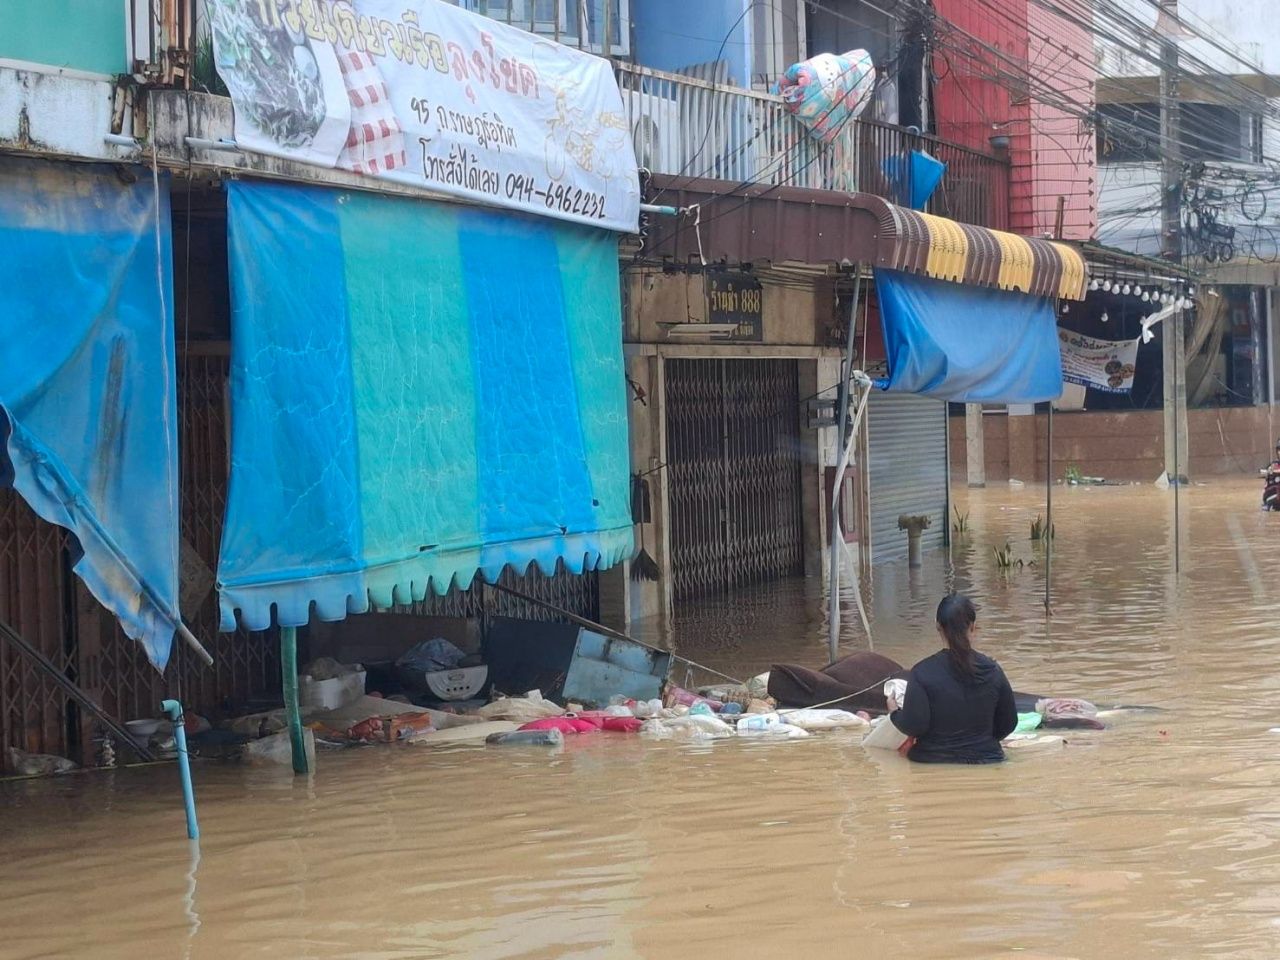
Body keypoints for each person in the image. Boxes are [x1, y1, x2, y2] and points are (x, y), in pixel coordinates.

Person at [888, 595, 1017, 764]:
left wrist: (894, 713)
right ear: (973, 626)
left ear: (938, 627)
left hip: (932, 762)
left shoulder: (922, 672)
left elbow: (915, 725)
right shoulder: (993, 670)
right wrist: (981, 741)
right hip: (987, 760)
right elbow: (1009, 722)